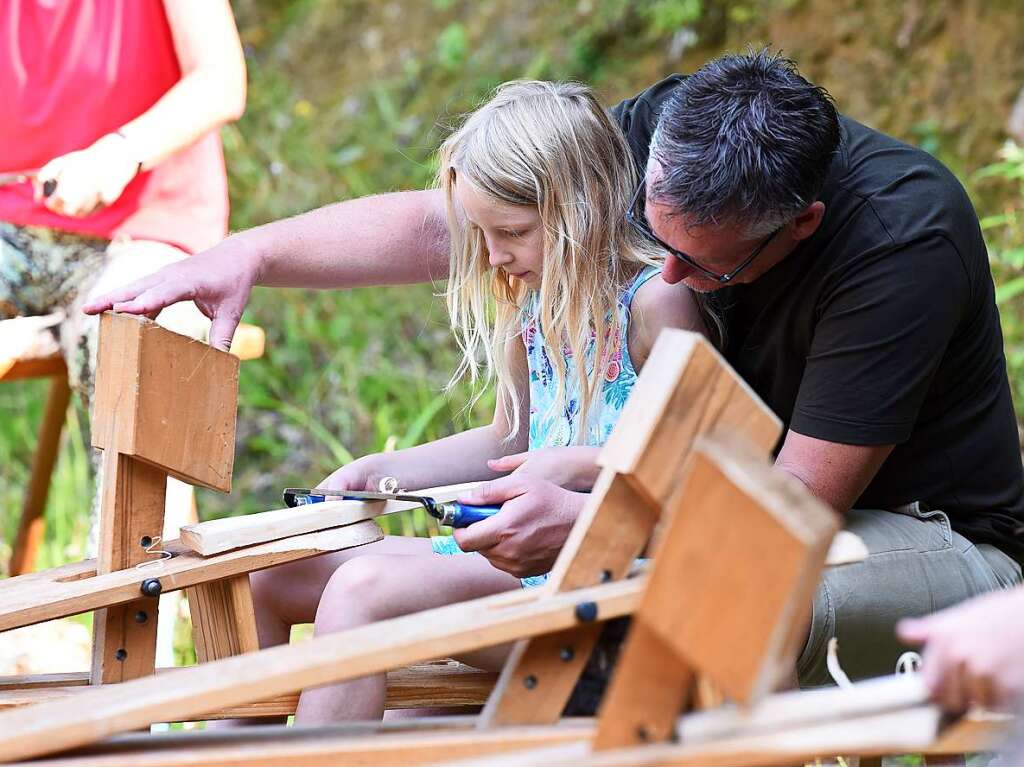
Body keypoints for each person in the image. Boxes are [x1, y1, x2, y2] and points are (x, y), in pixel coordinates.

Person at [86, 51, 1024, 692]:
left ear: (802, 224)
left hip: (914, 532)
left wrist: (595, 513)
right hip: (705, 485)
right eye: (652, 239)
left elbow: (789, 508)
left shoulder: (901, 244)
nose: (665, 279)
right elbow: (447, 221)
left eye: (706, 269)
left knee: (704, 598)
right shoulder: (675, 136)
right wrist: (249, 254)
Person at [243, 81, 703, 723]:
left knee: (364, 587)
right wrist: (380, 471)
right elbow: (509, 440)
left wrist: (573, 467)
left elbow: (688, 467)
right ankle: (227, 744)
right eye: (482, 234)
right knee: (269, 576)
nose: (495, 257)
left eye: (512, 231)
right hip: (524, 567)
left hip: (608, 576)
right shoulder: (536, 303)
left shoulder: (658, 305)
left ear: (585, 205)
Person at [1, 0, 245, 666]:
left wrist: (119, 153)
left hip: (142, 230)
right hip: (11, 234)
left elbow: (222, 80)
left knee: (142, 343)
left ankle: (134, 676)